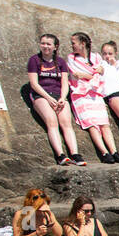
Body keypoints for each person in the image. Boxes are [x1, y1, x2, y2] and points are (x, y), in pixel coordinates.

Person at [65, 32, 119, 163]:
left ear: (83, 44)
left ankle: (114, 151)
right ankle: (104, 153)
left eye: (74, 43)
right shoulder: (72, 58)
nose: (72, 46)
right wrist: (91, 73)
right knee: (92, 124)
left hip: (95, 93)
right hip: (81, 94)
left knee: (104, 124)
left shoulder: (95, 56)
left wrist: (88, 75)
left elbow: (100, 72)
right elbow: (77, 74)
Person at [25, 33, 84, 166]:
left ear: (55, 47)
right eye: (43, 43)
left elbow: (64, 83)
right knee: (52, 122)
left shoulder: (61, 62)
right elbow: (34, 84)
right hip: (41, 96)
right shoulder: (34, 60)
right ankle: (60, 155)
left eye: (48, 44)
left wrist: (63, 98)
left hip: (59, 95)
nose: (45, 46)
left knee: (66, 124)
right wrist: (48, 98)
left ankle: (75, 154)